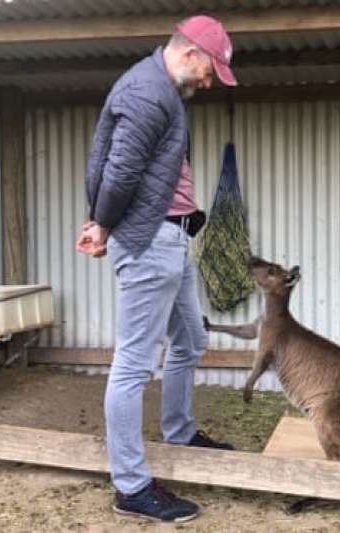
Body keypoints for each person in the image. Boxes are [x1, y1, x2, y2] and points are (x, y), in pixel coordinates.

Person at [75, 15, 238, 523]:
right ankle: (131, 485)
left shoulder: (161, 91)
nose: (210, 83)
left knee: (190, 338)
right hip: (149, 241)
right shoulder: (148, 93)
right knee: (133, 364)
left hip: (171, 238)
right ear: (190, 53)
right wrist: (102, 224)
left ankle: (180, 431)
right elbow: (118, 168)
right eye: (211, 71)